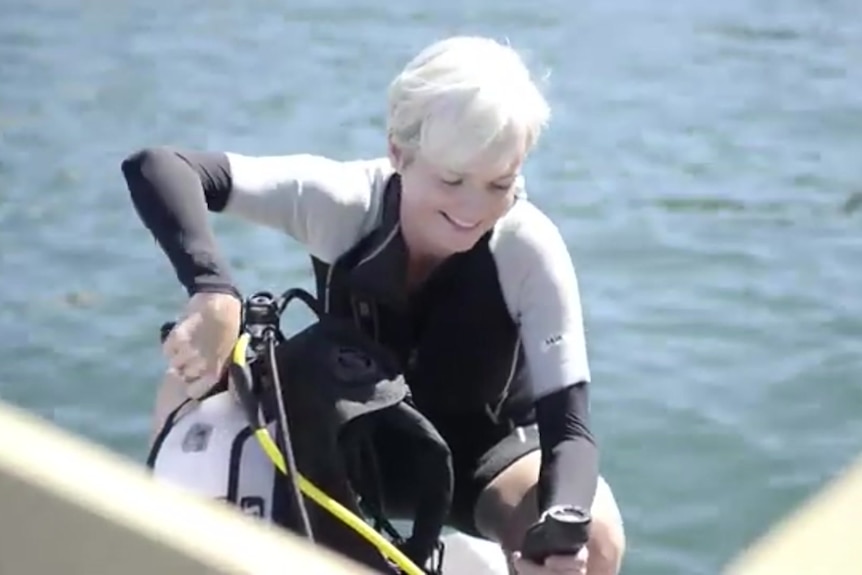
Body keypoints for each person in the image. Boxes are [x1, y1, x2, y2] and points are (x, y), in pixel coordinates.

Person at [121, 35, 626, 575]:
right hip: (339, 437)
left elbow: (569, 429)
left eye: (500, 183)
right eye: (451, 179)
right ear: (398, 152)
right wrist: (214, 291)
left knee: (594, 540)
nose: (473, 208)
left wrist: (560, 528)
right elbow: (161, 167)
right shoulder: (343, 203)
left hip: (481, 462)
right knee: (189, 374)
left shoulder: (527, 247)